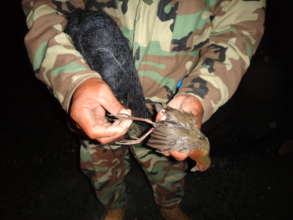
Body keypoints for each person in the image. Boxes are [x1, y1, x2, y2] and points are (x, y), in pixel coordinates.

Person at [21, 0, 265, 219]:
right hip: (98, 107)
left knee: (169, 170)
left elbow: (239, 27)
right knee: (102, 168)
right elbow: (45, 8)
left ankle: (169, 205)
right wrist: (74, 82)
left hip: (168, 108)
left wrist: (199, 95)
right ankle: (114, 205)